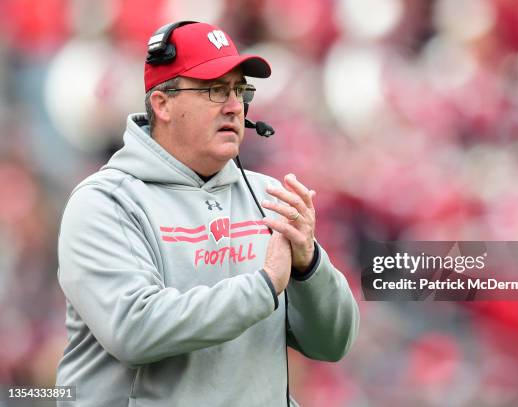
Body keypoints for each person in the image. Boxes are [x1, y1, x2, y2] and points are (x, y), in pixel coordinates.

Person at [55, 21, 359, 407]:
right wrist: (262, 287)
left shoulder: (269, 197)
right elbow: (134, 330)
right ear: (162, 104)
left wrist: (309, 267)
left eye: (238, 90)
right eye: (215, 90)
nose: (234, 105)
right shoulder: (104, 202)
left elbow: (333, 344)